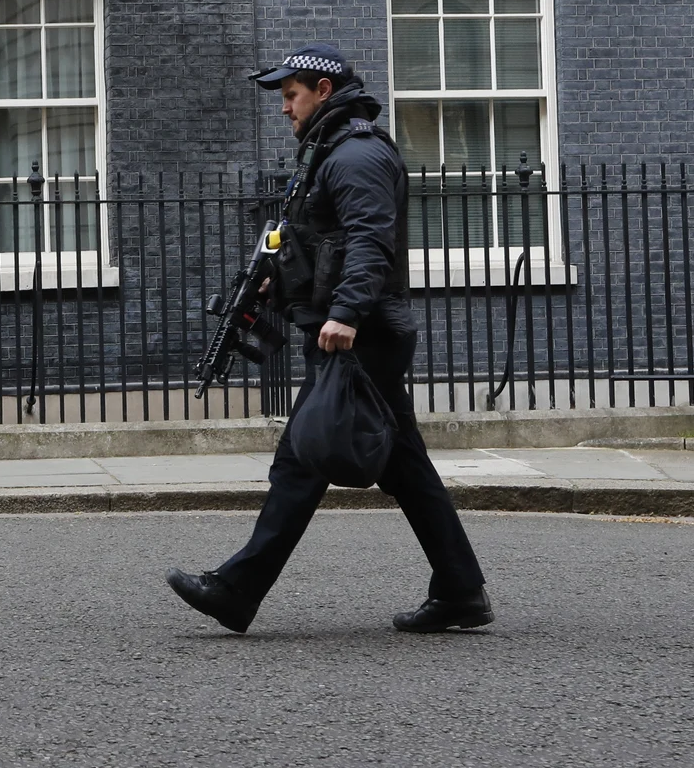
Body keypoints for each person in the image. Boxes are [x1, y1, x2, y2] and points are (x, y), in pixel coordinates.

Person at [166, 43, 492, 634]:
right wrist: (275, 285)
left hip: (357, 336)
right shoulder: (329, 150)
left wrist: (344, 313)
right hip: (354, 332)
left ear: (322, 90)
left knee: (300, 459)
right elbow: (318, 241)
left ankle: (238, 589)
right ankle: (461, 589)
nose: (284, 108)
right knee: (403, 467)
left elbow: (372, 241)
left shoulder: (356, 154)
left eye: (290, 95)